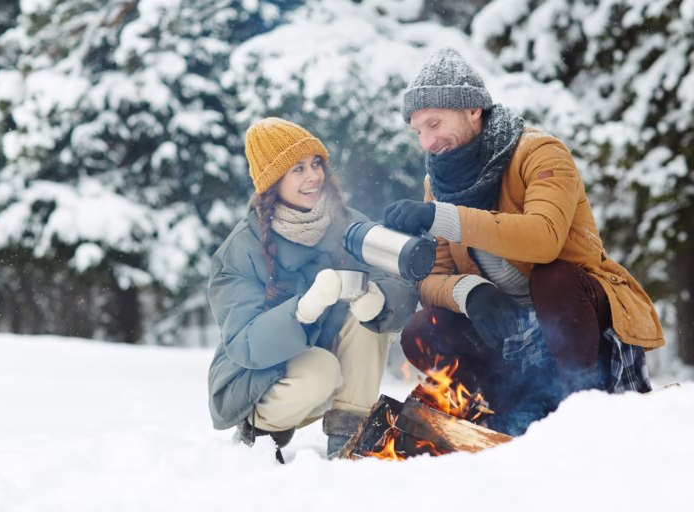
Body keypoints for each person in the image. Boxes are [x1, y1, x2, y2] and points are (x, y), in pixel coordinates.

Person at [383, 48, 664, 435]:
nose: (427, 142)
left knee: (554, 279)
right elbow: (432, 278)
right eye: (419, 132)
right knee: (422, 327)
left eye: (434, 124)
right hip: (508, 336)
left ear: (473, 111)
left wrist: (442, 216)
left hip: (577, 322)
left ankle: (582, 411)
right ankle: (492, 418)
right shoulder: (439, 184)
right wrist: (469, 292)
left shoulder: (539, 152)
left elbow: (544, 238)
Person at [207, 118, 418, 459]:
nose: (313, 176)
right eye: (297, 169)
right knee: (321, 371)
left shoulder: (347, 222)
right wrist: (304, 309)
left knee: (372, 322)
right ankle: (259, 430)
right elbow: (244, 345)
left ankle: (350, 439)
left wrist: (379, 300)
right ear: (272, 182)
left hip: (329, 358)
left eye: (316, 163)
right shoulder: (240, 251)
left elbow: (399, 281)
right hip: (257, 378)